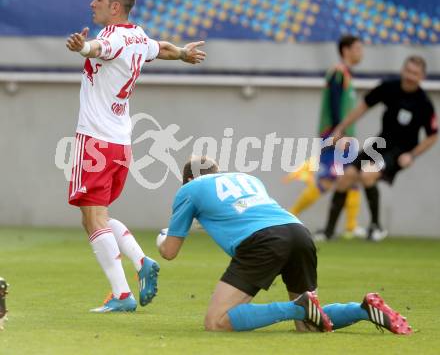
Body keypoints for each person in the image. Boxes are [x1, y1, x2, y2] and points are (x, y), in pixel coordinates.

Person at [66, 0, 206, 312]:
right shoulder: (138, 36)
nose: (92, 3)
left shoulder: (111, 37)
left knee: (94, 217)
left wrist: (83, 48)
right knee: (95, 216)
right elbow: (164, 48)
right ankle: (142, 264)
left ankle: (123, 294)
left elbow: (100, 49)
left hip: (96, 139)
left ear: (115, 7)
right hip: (120, 143)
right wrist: (184, 53)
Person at [157, 156, 412, 334]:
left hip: (262, 240)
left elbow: (169, 252)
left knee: (217, 321)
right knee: (310, 324)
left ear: (188, 178)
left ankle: (296, 307)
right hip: (299, 233)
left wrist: (162, 239)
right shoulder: (248, 179)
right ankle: (363, 310)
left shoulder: (189, 189)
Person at [319, 56, 438, 241]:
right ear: (402, 70)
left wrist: (412, 155)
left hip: (401, 151)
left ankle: (376, 227)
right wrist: (340, 128)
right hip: (380, 143)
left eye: (415, 73)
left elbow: (432, 135)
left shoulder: (424, 103)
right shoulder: (388, 87)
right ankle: (328, 232)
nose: (410, 76)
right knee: (346, 176)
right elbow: (363, 107)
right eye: (408, 71)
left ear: (422, 76)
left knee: (367, 174)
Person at [283, 35, 364, 239]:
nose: (361, 52)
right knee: (329, 180)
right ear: (345, 50)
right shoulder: (338, 72)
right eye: (357, 48)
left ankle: (350, 228)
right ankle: (287, 218)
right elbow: (335, 103)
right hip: (336, 135)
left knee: (352, 177)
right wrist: (340, 131)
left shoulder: (346, 74)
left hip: (344, 135)